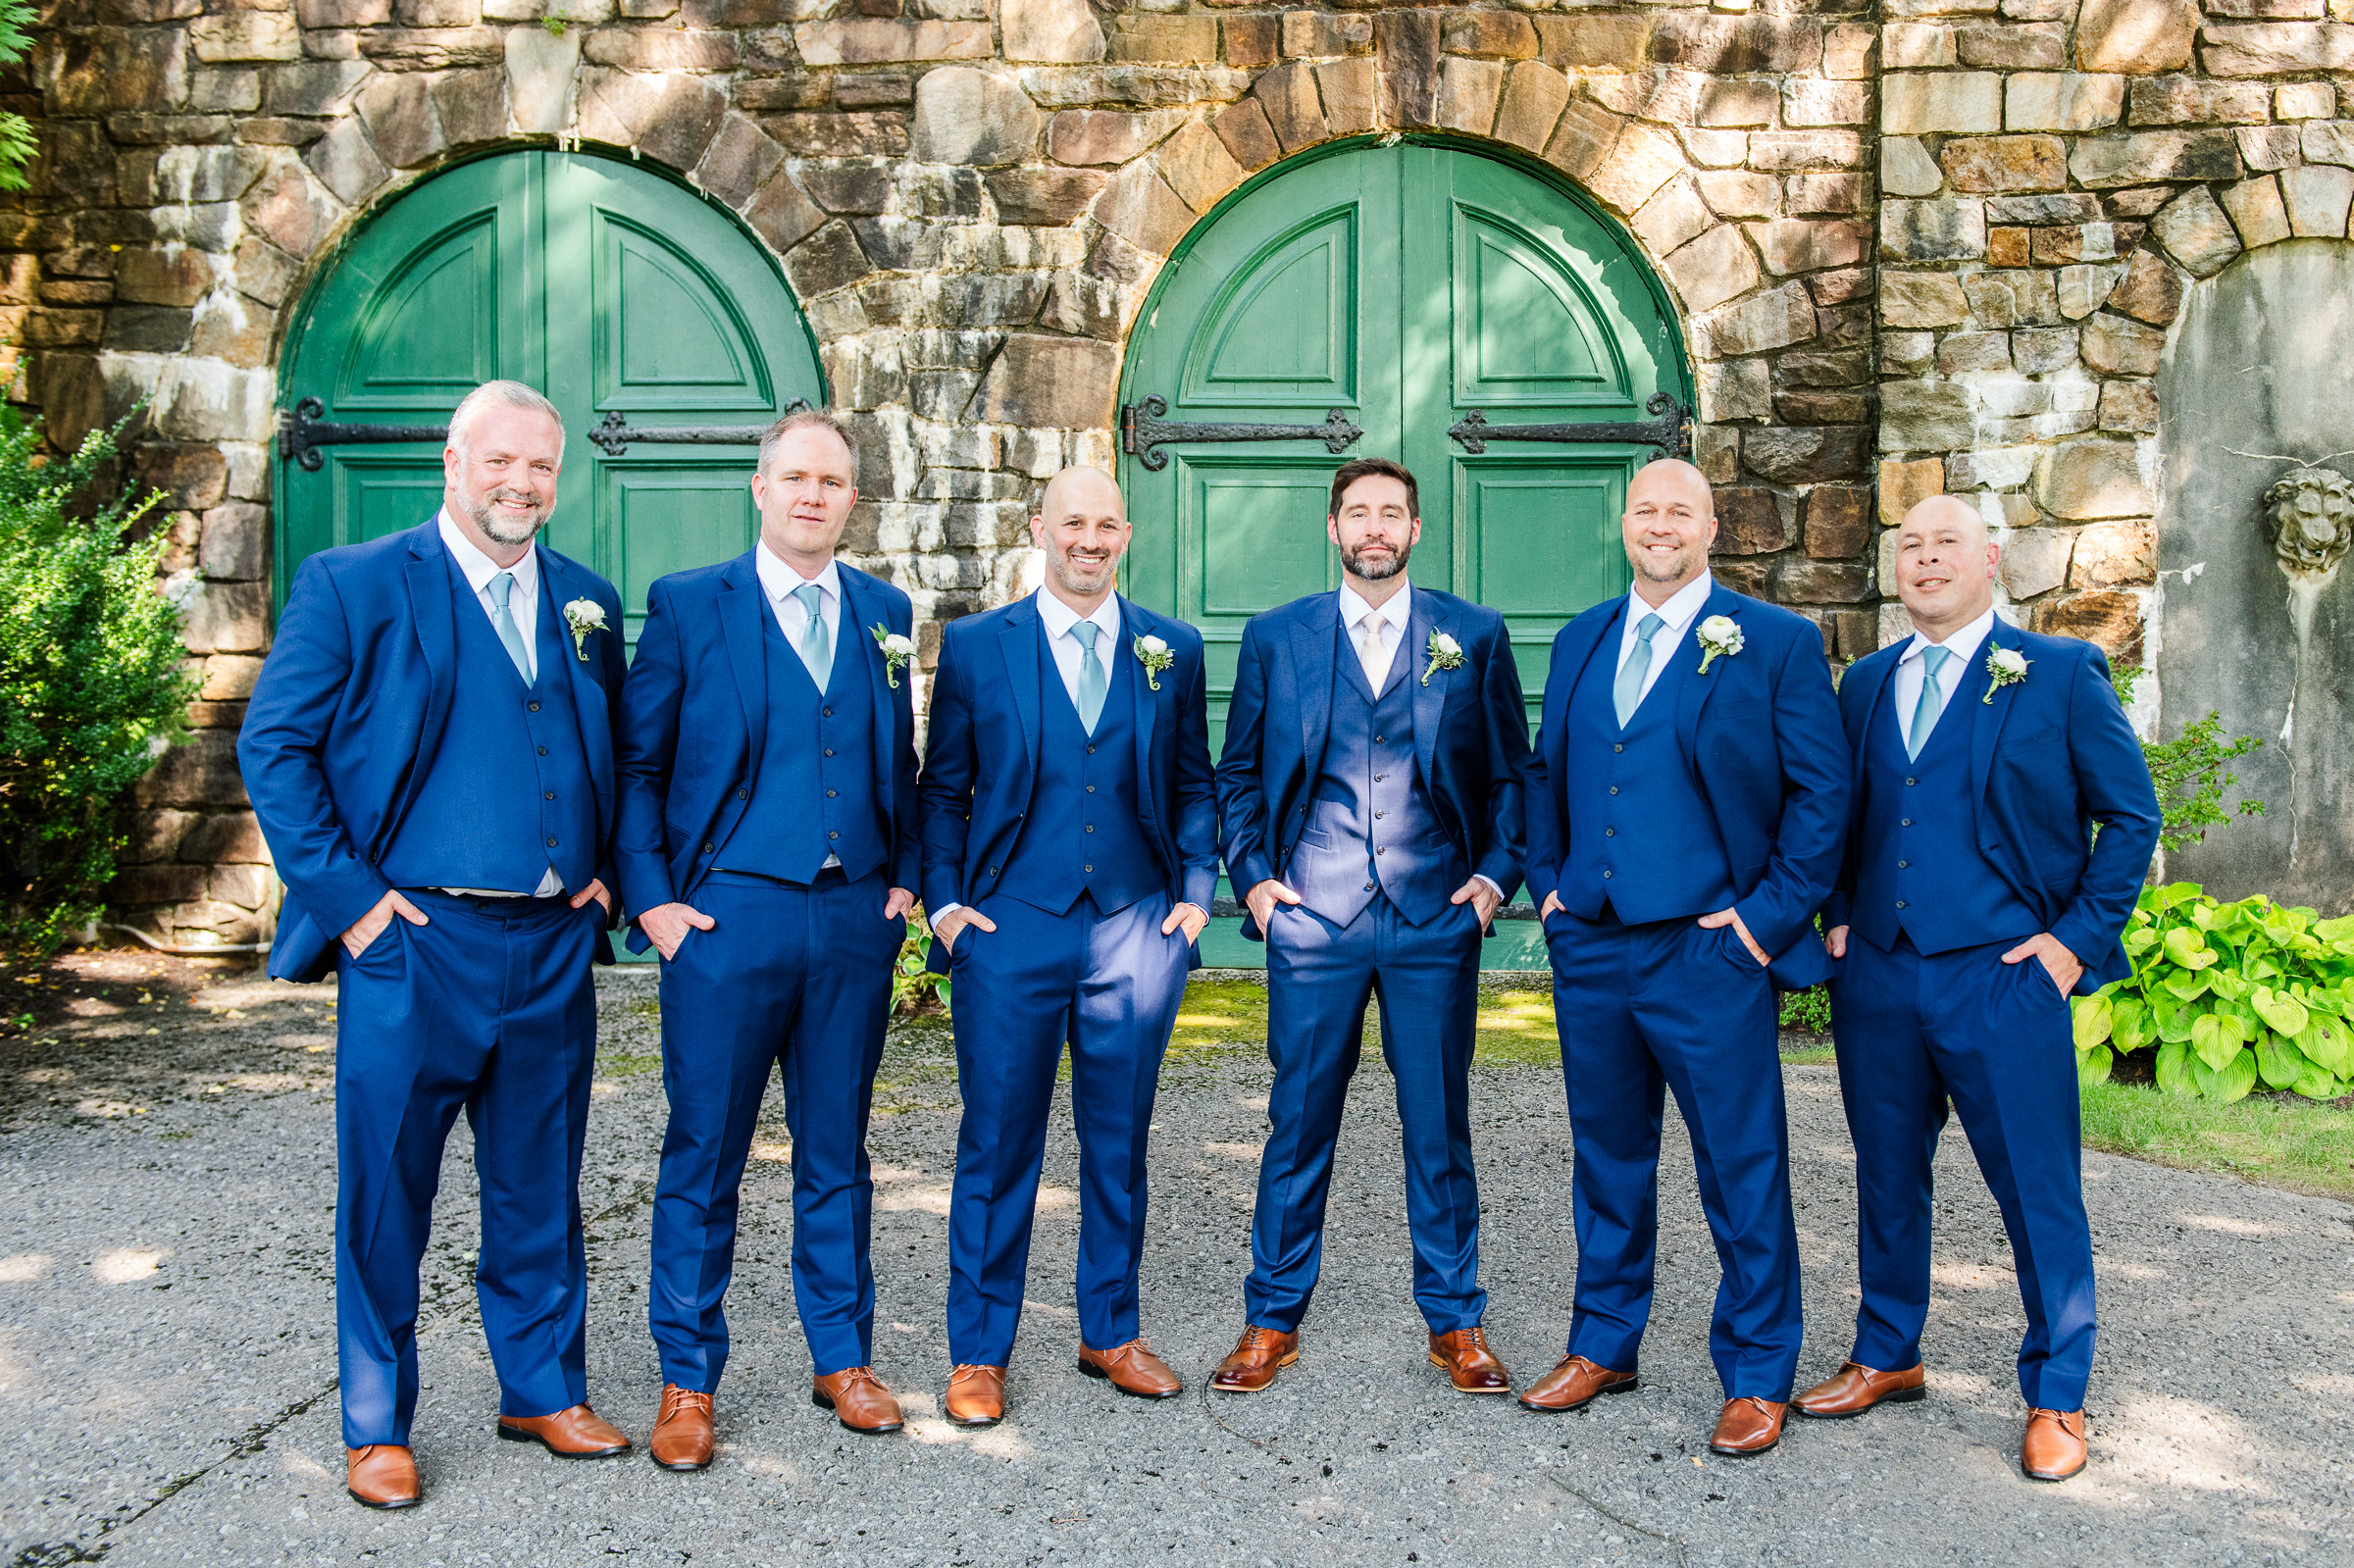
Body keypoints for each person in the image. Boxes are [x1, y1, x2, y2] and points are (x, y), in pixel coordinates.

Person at [240, 381, 632, 1509]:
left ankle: (541, 1389)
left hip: (553, 944)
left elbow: (605, 746)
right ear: (453, 464)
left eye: (542, 467)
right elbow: (277, 750)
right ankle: (376, 1424)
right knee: (385, 1191)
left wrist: (604, 873)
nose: (521, 484)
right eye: (500, 461)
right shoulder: (355, 585)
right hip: (414, 943)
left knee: (539, 1185)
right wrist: (354, 905)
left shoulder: (584, 602)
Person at [1793, 495, 2160, 1484]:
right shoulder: (1865, 683)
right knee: (1884, 1176)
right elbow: (1836, 808)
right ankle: (1887, 1352)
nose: (1924, 559)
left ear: (1989, 561)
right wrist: (1834, 910)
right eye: (1908, 547)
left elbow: (2130, 817)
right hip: (1878, 973)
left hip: (2004, 979)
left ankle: (2057, 1394)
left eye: (1944, 543)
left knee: (2037, 1188)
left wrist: (2073, 944)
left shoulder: (2060, 673)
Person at [1517, 458, 1848, 1458]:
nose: (1660, 525)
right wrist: (1551, 885)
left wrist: (1760, 924)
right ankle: (1604, 1342)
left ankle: (1756, 1374)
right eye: (1645, 509)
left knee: (1740, 1166)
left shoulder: (1776, 643)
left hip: (1711, 952)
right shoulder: (1583, 636)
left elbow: (1822, 796)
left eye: (1680, 511)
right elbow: (1548, 772)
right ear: (1626, 524)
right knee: (1607, 1158)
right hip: (1595, 945)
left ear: (1712, 528)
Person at [614, 410, 923, 1464]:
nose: (812, 496)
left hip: (852, 919)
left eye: (832, 482)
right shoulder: (691, 605)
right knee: (706, 1151)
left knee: (837, 1151)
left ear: (850, 499)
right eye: (795, 477)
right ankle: (687, 1379)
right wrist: (653, 903)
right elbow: (640, 766)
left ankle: (843, 1357)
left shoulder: (886, 609)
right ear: (761, 487)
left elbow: (904, 762)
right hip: (725, 919)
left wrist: (909, 880)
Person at [1208, 457, 1532, 1397]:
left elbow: (1514, 771)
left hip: (1435, 915)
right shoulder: (1278, 637)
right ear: (1334, 528)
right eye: (1360, 513)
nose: (1376, 528)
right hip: (1314, 914)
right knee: (1297, 1123)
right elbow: (1237, 774)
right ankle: (1271, 1320)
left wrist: (1493, 878)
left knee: (1439, 1125)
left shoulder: (1473, 633)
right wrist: (1258, 884)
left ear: (1416, 530)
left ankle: (1457, 1323)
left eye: (1393, 513)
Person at [916, 466, 1217, 1427]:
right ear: (1039, 528)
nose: (1088, 540)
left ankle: (1111, 1332)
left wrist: (1197, 897)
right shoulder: (975, 647)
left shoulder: (1171, 648)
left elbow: (1194, 784)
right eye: (1071, 523)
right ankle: (978, 1353)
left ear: (1126, 535)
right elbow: (941, 790)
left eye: (1106, 526)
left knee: (1119, 1143)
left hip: (1136, 931)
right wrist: (949, 907)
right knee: (997, 1143)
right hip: (1010, 930)